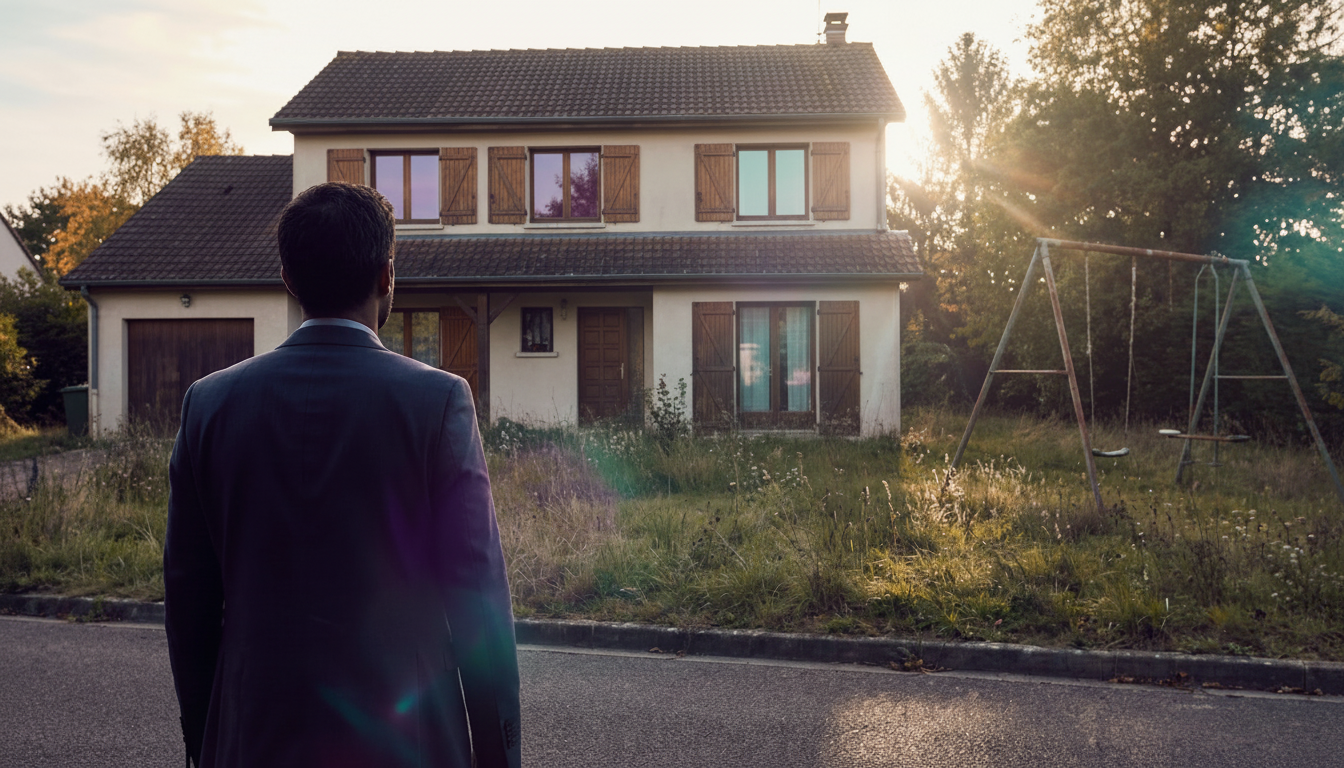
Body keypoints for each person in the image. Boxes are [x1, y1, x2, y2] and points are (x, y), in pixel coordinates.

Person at [165, 182, 520, 768]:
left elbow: (190, 603)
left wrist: (208, 742)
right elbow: (477, 596)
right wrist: (497, 756)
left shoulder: (210, 403)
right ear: (386, 277)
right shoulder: (437, 401)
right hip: (407, 740)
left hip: (252, 734)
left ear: (287, 277)